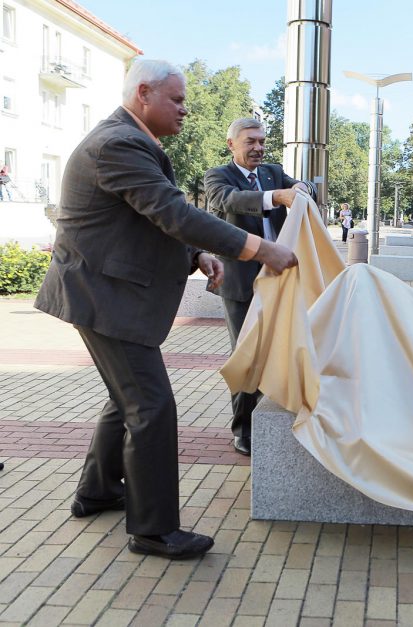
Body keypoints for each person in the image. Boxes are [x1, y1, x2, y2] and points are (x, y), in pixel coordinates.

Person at [34, 60, 298, 560]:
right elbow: (172, 212)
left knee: (126, 398)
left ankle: (97, 491)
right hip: (103, 296)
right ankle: (154, 530)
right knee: (151, 407)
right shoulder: (119, 143)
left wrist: (196, 254)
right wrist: (261, 250)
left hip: (107, 293)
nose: (184, 108)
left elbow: (148, 220)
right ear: (144, 93)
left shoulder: (131, 142)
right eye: (176, 99)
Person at [204, 117, 313, 456]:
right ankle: (244, 429)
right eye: (250, 141)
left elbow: (302, 186)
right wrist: (275, 196)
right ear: (231, 144)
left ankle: (277, 416)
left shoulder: (274, 172)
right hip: (240, 283)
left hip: (280, 282)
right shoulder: (217, 176)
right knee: (246, 354)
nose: (258, 147)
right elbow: (229, 201)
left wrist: (301, 189)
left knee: (281, 347)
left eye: (262, 141)